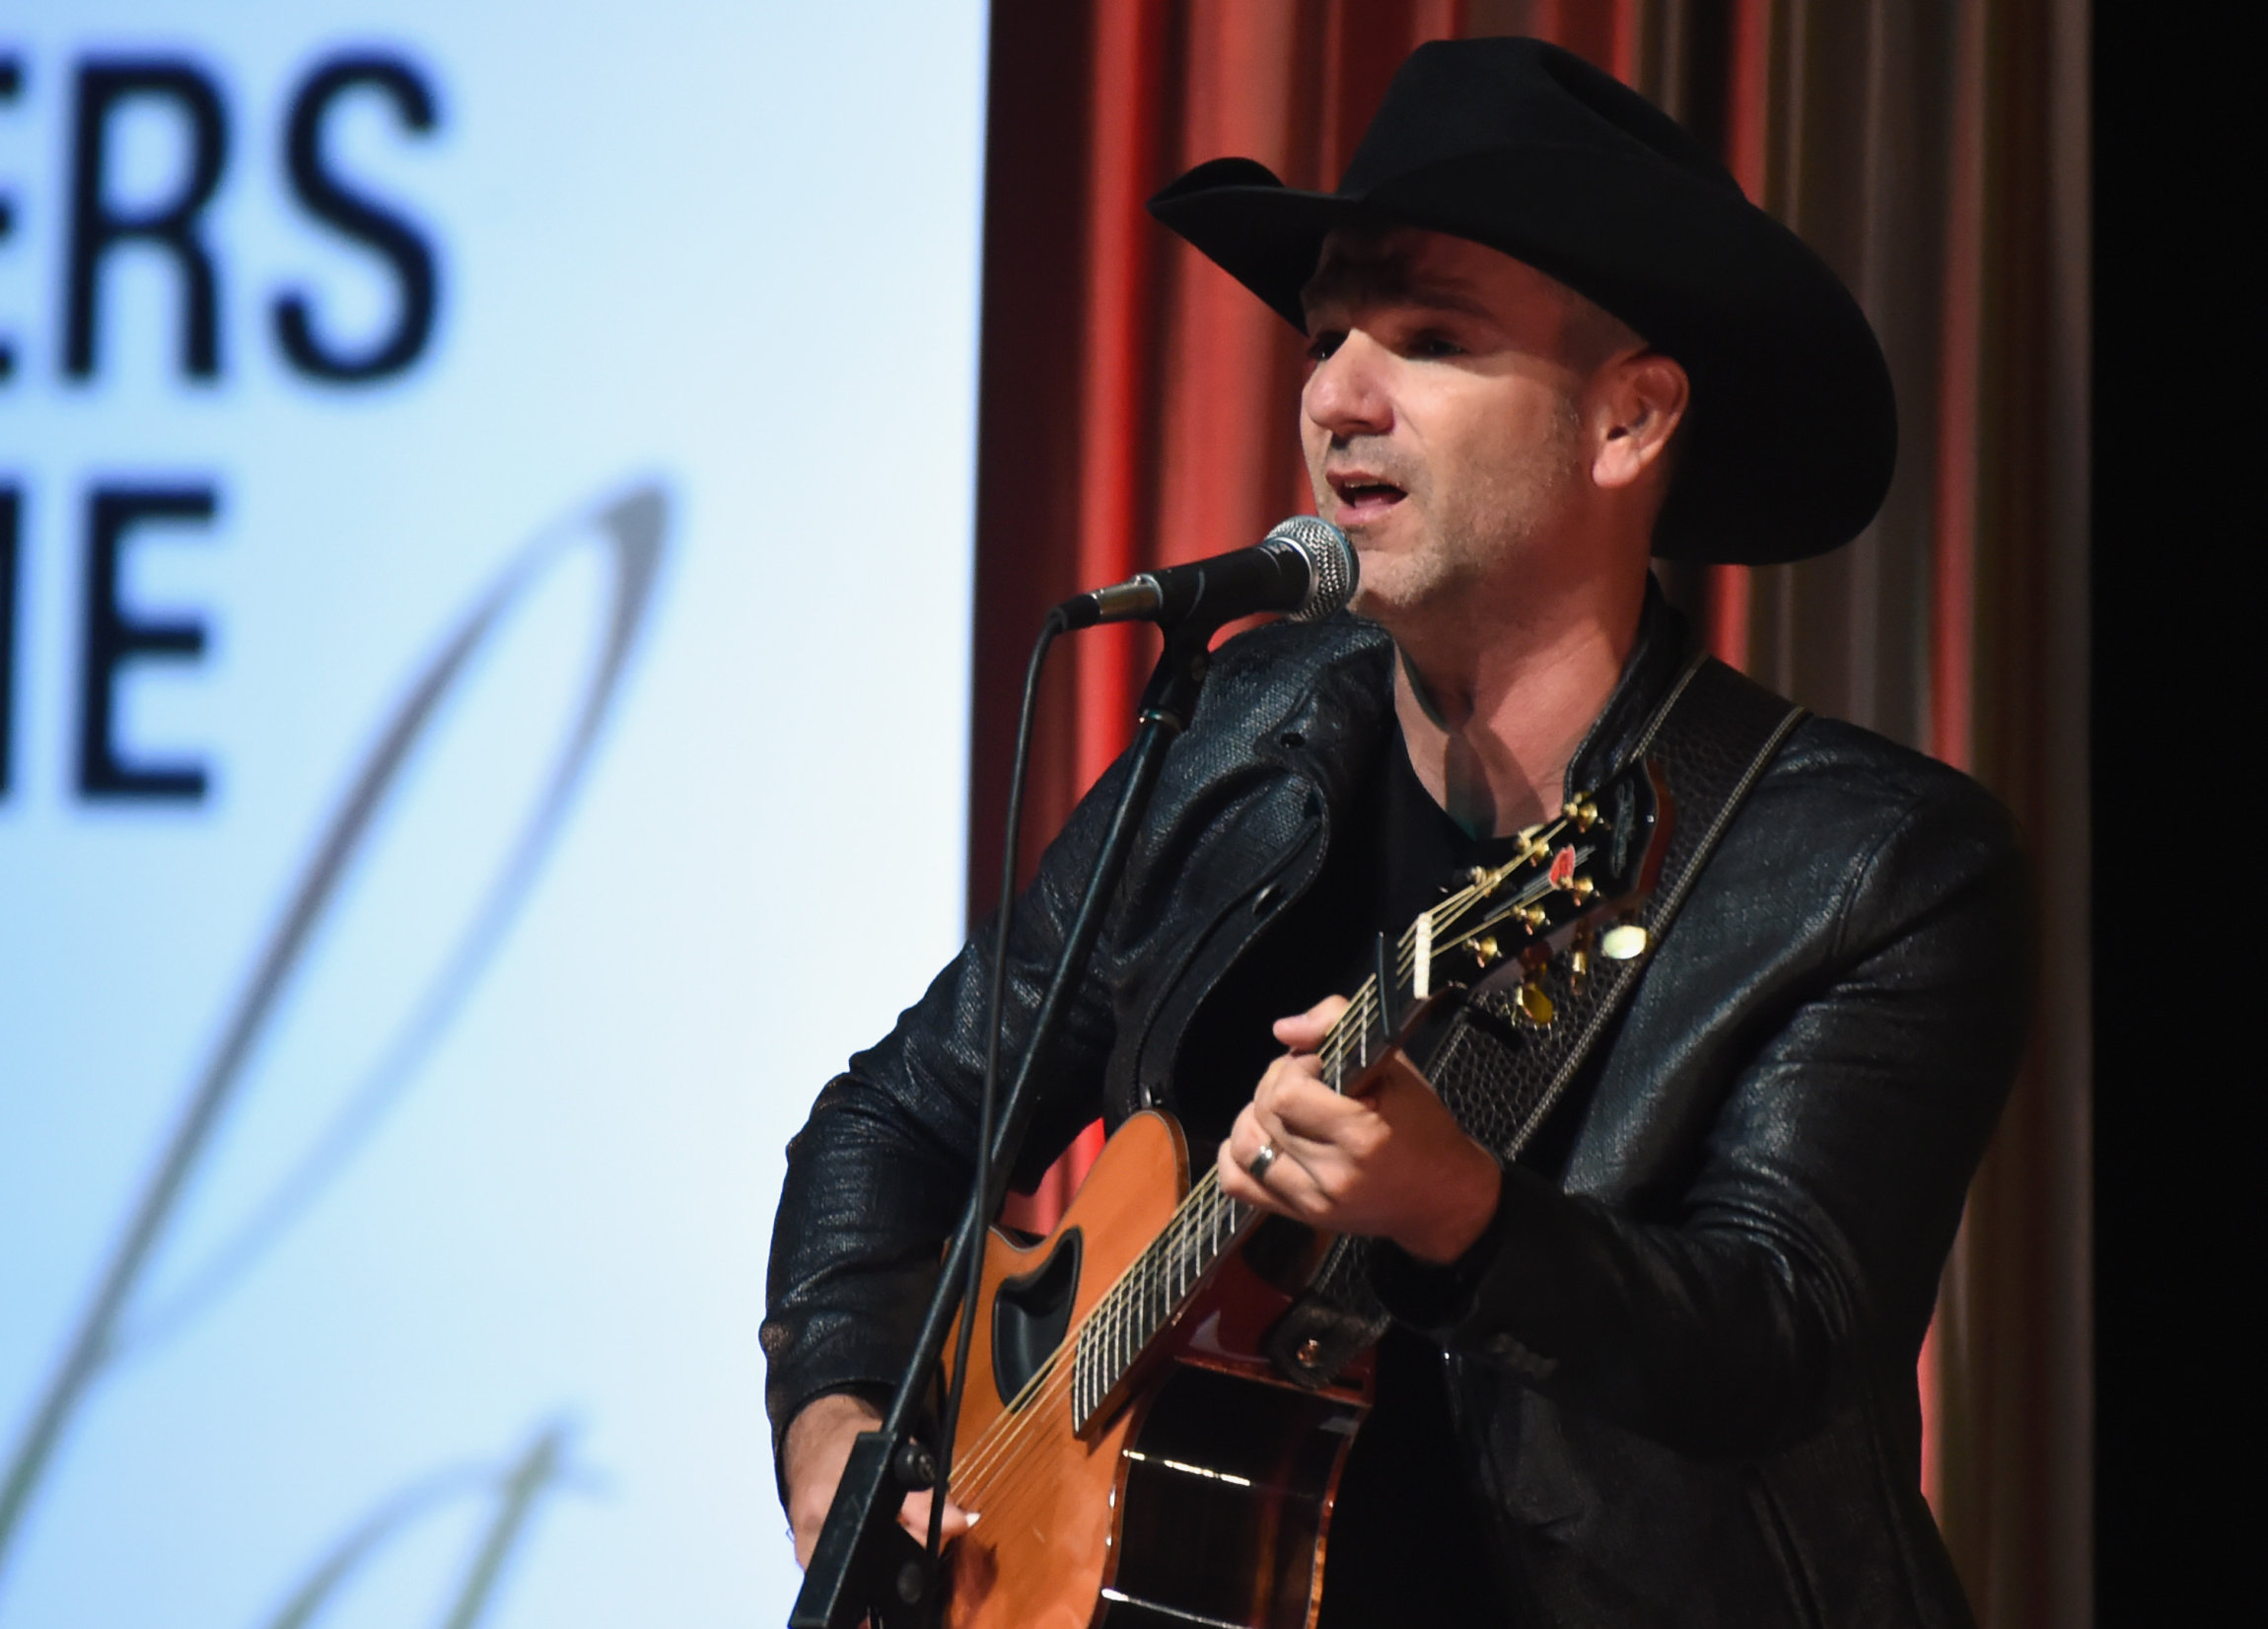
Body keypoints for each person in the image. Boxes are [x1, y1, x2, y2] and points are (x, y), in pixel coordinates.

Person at [764, 36, 2026, 1627]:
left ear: (1628, 422)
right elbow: (902, 1116)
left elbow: (1783, 1339)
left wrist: (1466, 1219)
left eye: (1428, 338)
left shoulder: (1869, 869)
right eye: (1326, 334)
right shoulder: (1239, 731)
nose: (1338, 396)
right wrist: (842, 1432)